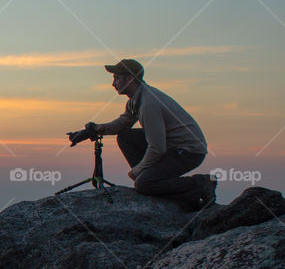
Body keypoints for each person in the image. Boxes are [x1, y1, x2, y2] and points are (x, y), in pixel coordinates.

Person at [67, 58, 216, 211]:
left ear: (130, 78)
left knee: (144, 184)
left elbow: (157, 148)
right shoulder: (138, 98)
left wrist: (137, 172)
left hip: (188, 151)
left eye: (117, 78)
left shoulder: (148, 104)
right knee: (126, 137)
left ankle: (201, 184)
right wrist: (94, 129)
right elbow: (122, 123)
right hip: (172, 146)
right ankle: (162, 184)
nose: (113, 83)